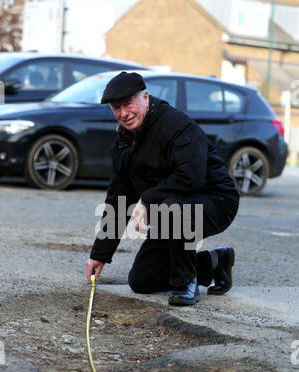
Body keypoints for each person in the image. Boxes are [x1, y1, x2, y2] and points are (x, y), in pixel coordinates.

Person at [86, 71, 239, 306]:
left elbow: (191, 178)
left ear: (145, 98)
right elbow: (119, 197)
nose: (123, 114)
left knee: (170, 208)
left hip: (216, 200)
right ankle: (214, 262)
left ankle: (185, 283)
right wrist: (100, 254)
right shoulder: (123, 142)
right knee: (142, 281)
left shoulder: (177, 125)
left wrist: (147, 199)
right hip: (171, 210)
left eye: (128, 104)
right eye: (116, 108)